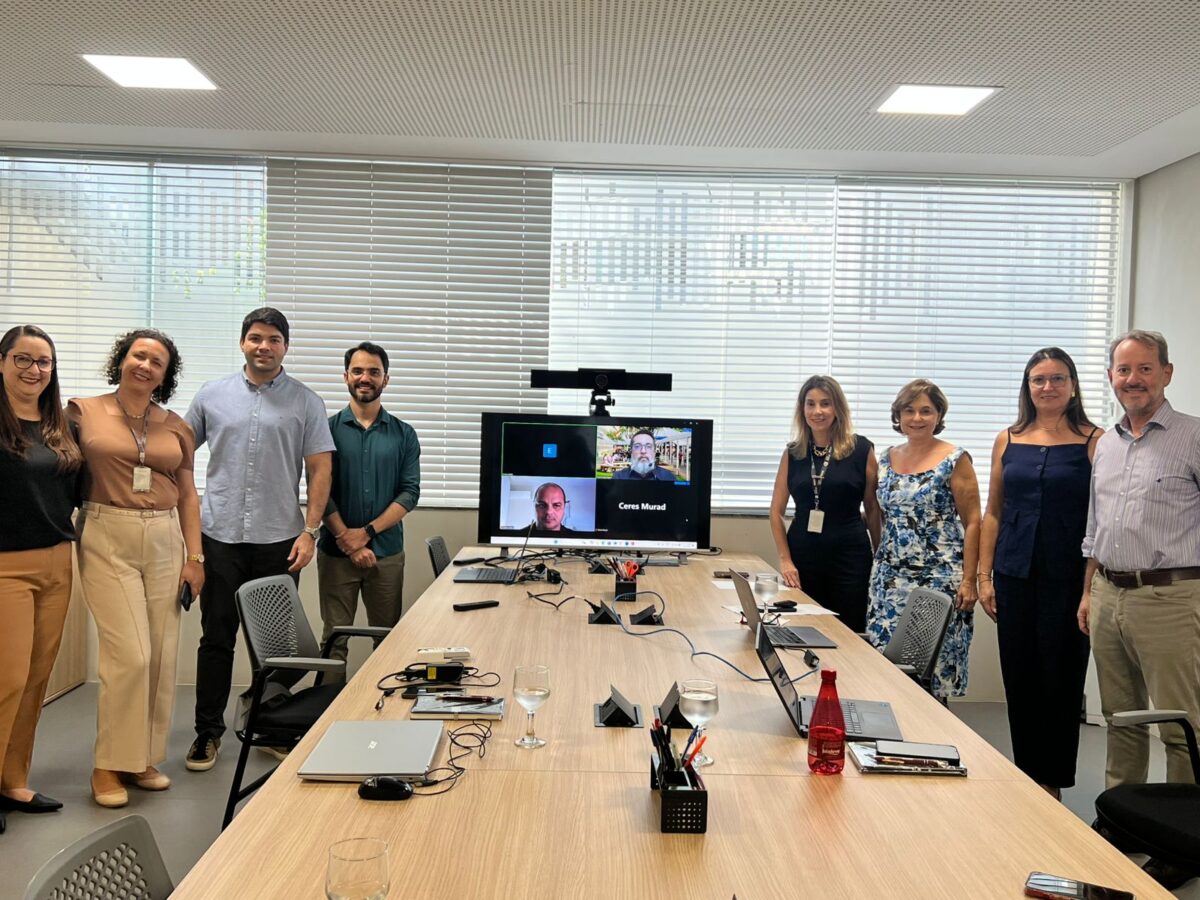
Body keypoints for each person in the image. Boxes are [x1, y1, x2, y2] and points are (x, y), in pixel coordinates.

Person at [184, 308, 334, 771]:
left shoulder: (306, 402)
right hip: (220, 538)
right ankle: (207, 734)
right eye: (255, 338)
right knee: (217, 638)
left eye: (273, 339)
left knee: (277, 646)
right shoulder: (212, 395)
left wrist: (310, 533)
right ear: (242, 343)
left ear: (285, 346)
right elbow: (180, 454)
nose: (263, 346)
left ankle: (270, 723)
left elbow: (320, 469)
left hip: (279, 540)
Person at [69, 329, 204, 808]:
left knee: (163, 654)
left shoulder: (176, 426)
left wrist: (195, 557)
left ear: (165, 376)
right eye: (138, 355)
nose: (145, 365)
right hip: (107, 531)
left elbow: (188, 494)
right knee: (131, 656)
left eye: (157, 362)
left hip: (166, 535)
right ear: (121, 360)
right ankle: (107, 764)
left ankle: (141, 758)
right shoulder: (82, 412)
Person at [977, 348, 1101, 800]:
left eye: (1057, 378)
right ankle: (1029, 777)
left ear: (1072, 386)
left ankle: (1054, 782)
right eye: (1038, 379)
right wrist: (983, 577)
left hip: (1067, 578)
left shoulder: (1095, 440)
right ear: (1027, 387)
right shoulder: (1007, 438)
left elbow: (1100, 521)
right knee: (1021, 678)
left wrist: (1090, 588)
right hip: (1013, 574)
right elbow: (993, 513)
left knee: (1061, 678)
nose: (1047, 387)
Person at [1079, 330, 1200, 791]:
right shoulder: (1106, 443)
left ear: (1166, 373)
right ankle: (1121, 819)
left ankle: (1181, 842)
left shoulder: (1192, 436)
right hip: (1109, 594)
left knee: (1181, 724)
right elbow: (1097, 528)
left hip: (1170, 597)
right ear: (1111, 377)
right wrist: (1090, 593)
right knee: (1120, 716)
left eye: (1145, 368)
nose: (1133, 379)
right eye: (1124, 370)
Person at [0, 326, 82, 832]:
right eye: (23, 359)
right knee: (6, 679)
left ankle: (12, 780)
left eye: (44, 362)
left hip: (57, 560)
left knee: (35, 680)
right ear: (3, 361)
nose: (34, 370)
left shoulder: (58, 425)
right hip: (7, 565)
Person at [867, 379, 981, 699]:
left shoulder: (954, 459)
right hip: (889, 581)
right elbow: (878, 513)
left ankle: (933, 742)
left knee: (930, 674)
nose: (917, 418)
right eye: (909, 410)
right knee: (888, 670)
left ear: (938, 415)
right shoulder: (885, 458)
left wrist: (970, 580)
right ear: (898, 415)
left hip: (939, 579)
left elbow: (973, 522)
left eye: (926, 411)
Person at [319, 342, 421, 683]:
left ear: (386, 379)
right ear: (346, 376)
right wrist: (346, 540)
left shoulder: (404, 434)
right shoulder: (325, 431)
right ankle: (328, 719)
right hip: (336, 555)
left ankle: (382, 721)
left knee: (387, 640)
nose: (366, 378)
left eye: (374, 372)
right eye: (358, 371)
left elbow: (409, 493)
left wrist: (366, 534)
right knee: (335, 641)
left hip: (386, 555)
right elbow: (320, 491)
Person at [769, 375, 880, 633]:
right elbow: (775, 512)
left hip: (850, 559)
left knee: (849, 632)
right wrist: (785, 561)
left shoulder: (861, 449)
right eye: (810, 404)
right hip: (803, 559)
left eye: (825, 404)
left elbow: (873, 509)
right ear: (802, 409)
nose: (817, 411)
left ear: (837, 408)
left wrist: (881, 555)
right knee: (802, 629)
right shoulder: (793, 452)